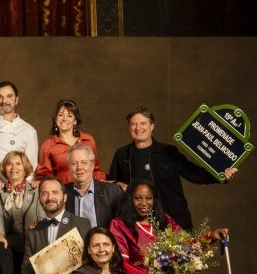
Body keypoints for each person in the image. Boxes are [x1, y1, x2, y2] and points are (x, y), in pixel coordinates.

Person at [107, 108, 237, 231]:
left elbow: (193, 173)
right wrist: (118, 184)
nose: (138, 128)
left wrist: (220, 175)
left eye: (143, 123)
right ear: (129, 127)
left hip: (174, 220)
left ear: (152, 126)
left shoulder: (168, 151)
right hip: (140, 225)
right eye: (133, 124)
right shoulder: (122, 154)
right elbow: (111, 185)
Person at [0, 148, 40, 274]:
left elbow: (42, 214)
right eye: (9, 164)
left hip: (32, 236)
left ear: (25, 168)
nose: (14, 167)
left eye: (18, 164)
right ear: (5, 168)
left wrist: (39, 224)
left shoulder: (36, 189)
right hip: (9, 238)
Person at [37, 98, 106, 185]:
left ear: (75, 121)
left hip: (88, 189)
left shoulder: (88, 140)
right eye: (61, 115)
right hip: (63, 190)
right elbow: (44, 177)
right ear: (55, 119)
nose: (64, 119)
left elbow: (95, 170)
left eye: (69, 116)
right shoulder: (47, 145)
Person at [64, 142, 126, 228]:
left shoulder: (113, 192)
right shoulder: (62, 193)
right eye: (74, 163)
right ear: (69, 167)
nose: (79, 168)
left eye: (84, 163)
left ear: (92, 165)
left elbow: (123, 227)